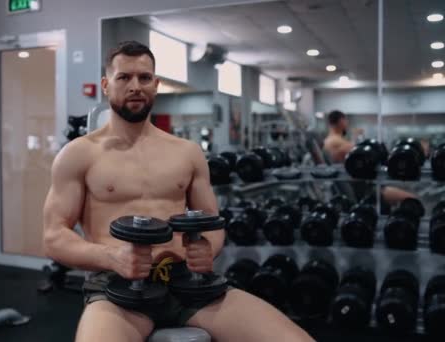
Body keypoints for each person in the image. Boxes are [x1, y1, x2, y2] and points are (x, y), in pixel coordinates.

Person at [42, 41, 314, 342]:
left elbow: (213, 222)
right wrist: (111, 257)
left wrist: (207, 249)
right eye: (124, 78)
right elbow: (55, 236)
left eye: (144, 78)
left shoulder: (187, 152)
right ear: (106, 85)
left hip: (189, 283)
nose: (135, 86)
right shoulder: (78, 154)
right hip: (116, 288)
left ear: (156, 85)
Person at [322, 110, 416, 204]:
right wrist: (356, 137)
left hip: (365, 183)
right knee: (411, 198)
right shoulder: (333, 141)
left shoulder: (336, 140)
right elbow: (357, 152)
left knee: (406, 195)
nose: (347, 123)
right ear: (341, 121)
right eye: (346, 121)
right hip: (363, 188)